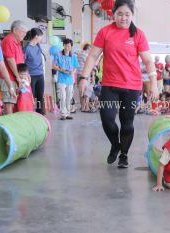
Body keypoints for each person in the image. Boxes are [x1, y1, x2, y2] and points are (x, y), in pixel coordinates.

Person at [81, 0, 159, 168]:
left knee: (127, 123)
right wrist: (84, 77)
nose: (123, 18)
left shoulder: (138, 34)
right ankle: (115, 145)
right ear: (113, 14)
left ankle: (124, 154)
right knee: (107, 119)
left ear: (132, 15)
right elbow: (93, 56)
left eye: (127, 14)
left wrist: (153, 83)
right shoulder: (105, 32)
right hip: (110, 85)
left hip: (131, 87)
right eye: (120, 14)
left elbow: (147, 60)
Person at [0, 20, 27, 115]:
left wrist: (25, 75)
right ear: (15, 30)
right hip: (8, 78)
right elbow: (10, 60)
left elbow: (20, 61)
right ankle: (8, 127)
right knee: (9, 103)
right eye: (23, 31)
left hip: (14, 77)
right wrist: (18, 77)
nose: (24, 34)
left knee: (12, 102)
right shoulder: (9, 40)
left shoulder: (17, 42)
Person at [53, 38, 80, 120]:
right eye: (66, 45)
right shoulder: (58, 54)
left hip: (70, 79)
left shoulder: (74, 56)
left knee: (69, 96)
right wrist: (61, 70)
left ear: (71, 46)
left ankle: (68, 113)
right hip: (61, 79)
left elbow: (75, 67)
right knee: (62, 96)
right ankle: (63, 114)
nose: (67, 48)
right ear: (63, 45)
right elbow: (54, 66)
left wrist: (73, 72)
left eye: (69, 46)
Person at [23, 28, 45, 114]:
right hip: (31, 76)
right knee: (32, 96)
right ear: (36, 36)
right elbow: (23, 63)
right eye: (41, 37)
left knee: (40, 96)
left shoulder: (38, 46)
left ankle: (40, 113)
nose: (41, 38)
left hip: (40, 75)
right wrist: (26, 75)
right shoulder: (26, 48)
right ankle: (31, 113)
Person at [77, 43, 92, 112]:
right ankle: (86, 107)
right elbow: (90, 64)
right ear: (88, 48)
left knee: (81, 91)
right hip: (85, 75)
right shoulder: (86, 55)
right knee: (87, 91)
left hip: (78, 74)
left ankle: (82, 107)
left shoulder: (79, 54)